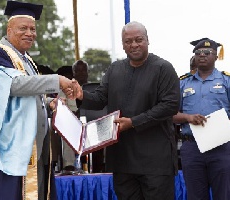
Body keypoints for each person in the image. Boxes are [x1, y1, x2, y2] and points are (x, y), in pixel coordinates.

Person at [0, 1, 75, 200]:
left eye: (33, 29)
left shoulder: (27, 60)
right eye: (23, 28)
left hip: (35, 147)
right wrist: (57, 80)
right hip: (13, 149)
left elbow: (28, 97)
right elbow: (14, 85)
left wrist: (48, 104)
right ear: (9, 30)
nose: (30, 33)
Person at [74, 21, 180, 199]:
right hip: (123, 160)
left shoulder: (163, 68)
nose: (134, 45)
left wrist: (133, 123)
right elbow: (100, 99)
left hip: (155, 161)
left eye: (139, 40)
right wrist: (80, 95)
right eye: (128, 41)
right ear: (123, 45)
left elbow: (170, 106)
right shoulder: (115, 69)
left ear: (147, 40)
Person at [173, 38, 230, 200]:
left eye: (207, 53)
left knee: (224, 194)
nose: (202, 55)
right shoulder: (182, 83)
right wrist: (188, 117)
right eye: (198, 53)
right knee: (196, 196)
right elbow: (170, 114)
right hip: (192, 147)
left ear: (216, 56)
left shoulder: (227, 81)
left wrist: (225, 129)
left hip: (221, 147)